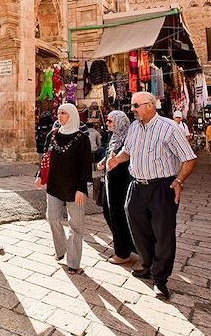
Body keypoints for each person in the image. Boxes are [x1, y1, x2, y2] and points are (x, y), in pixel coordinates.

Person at [107, 91, 197, 301]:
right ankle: (147, 264)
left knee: (163, 234)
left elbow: (189, 159)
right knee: (138, 229)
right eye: (132, 106)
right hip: (137, 186)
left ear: (150, 105)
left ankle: (160, 279)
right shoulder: (134, 128)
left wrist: (179, 181)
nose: (132, 109)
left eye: (136, 105)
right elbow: (127, 151)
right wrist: (116, 160)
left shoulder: (169, 128)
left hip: (161, 188)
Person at [34, 102, 91, 274]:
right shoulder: (52, 134)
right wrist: (39, 175)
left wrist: (82, 188)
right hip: (54, 185)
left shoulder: (82, 139)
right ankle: (61, 250)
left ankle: (73, 262)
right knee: (52, 218)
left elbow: (86, 165)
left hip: (75, 188)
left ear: (72, 115)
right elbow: (46, 157)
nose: (60, 116)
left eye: (63, 113)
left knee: (76, 226)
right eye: (58, 113)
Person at [96, 110, 135, 264]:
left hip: (121, 182)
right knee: (108, 212)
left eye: (111, 121)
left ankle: (123, 252)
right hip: (109, 181)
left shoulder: (129, 139)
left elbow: (125, 156)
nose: (108, 124)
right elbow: (111, 153)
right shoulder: (114, 137)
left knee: (118, 215)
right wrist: (103, 162)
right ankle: (125, 245)